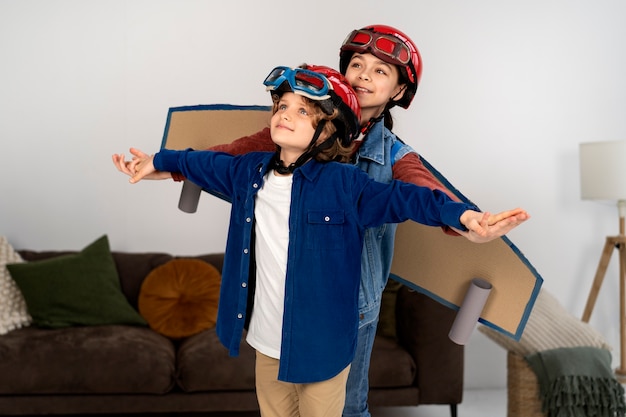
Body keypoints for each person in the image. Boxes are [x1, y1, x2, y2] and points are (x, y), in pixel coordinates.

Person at [112, 25, 527, 417]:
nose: (364, 75)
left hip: (350, 303)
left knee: (347, 405)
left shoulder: (386, 160)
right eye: (357, 65)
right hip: (277, 305)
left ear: (399, 90)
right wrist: (161, 167)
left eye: (380, 70)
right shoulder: (287, 133)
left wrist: (468, 220)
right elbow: (224, 159)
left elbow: (418, 194)